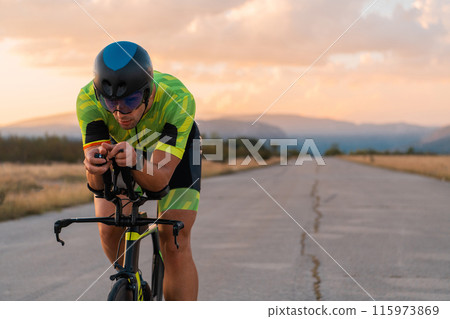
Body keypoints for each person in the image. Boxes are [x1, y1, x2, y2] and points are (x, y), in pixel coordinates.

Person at [76, 41, 201, 301]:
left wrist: (137, 162)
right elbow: (98, 185)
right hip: (121, 149)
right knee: (109, 228)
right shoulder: (88, 98)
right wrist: (92, 167)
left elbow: (159, 183)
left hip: (170, 153)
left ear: (149, 92)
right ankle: (134, 284)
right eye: (110, 103)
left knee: (175, 238)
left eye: (131, 100)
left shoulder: (178, 99)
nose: (121, 112)